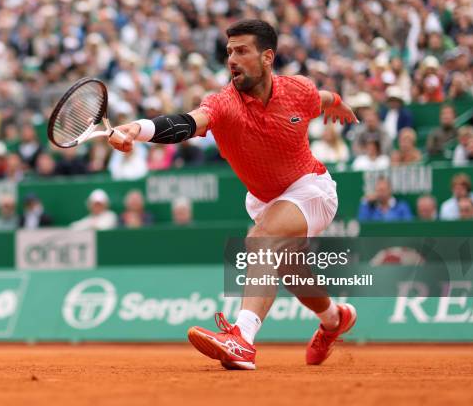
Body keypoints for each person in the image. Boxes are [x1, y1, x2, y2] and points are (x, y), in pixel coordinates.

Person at [107, 20, 359, 370]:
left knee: (261, 240)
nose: (232, 60)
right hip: (267, 199)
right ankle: (335, 319)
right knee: (291, 270)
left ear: (267, 57)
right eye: (229, 52)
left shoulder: (298, 90)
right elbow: (187, 122)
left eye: (242, 51)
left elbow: (322, 99)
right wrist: (138, 129)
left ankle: (242, 339)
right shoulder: (224, 103)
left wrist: (340, 104)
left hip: (312, 188)